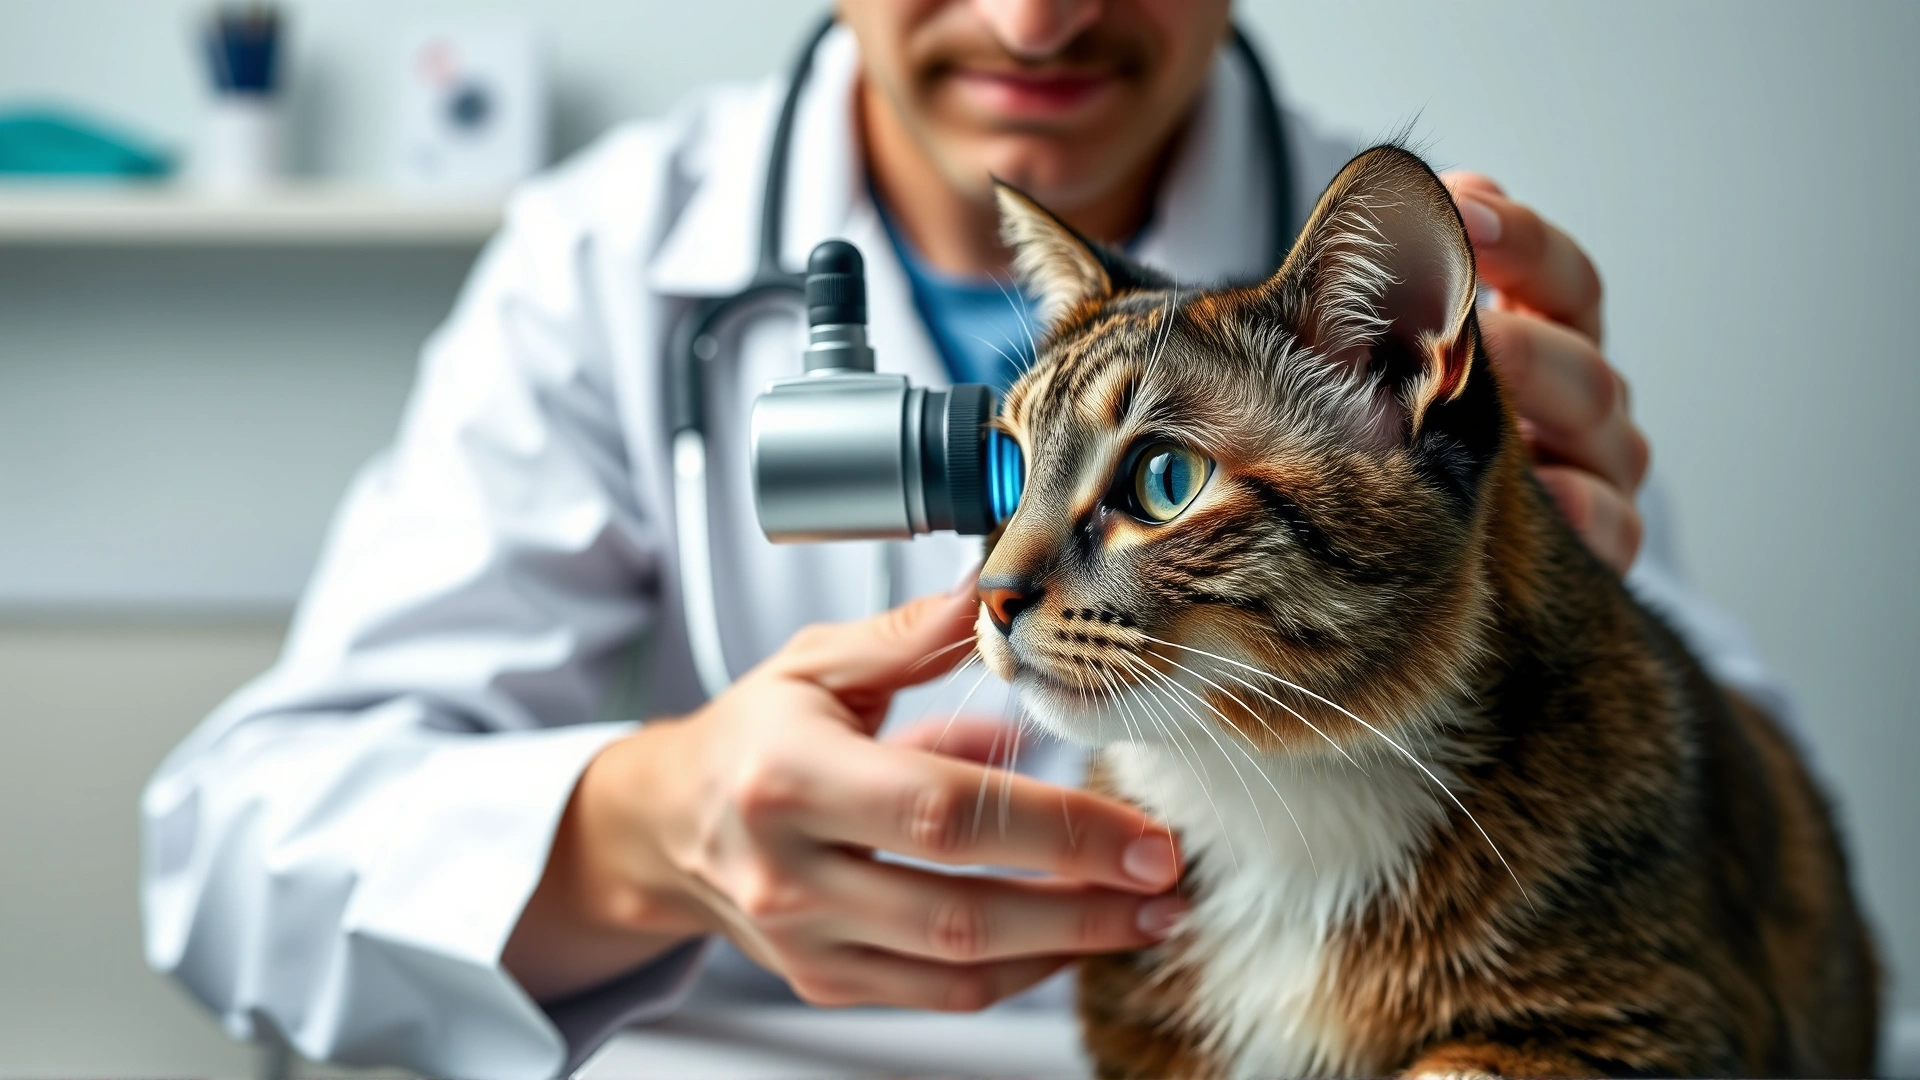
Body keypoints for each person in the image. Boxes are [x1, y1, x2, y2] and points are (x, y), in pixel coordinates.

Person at [140, 2, 1789, 1077]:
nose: (1032, 20)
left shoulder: (1421, 286)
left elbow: (1713, 869)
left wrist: (1565, 587)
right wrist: (650, 829)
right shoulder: (604, 252)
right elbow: (225, 850)